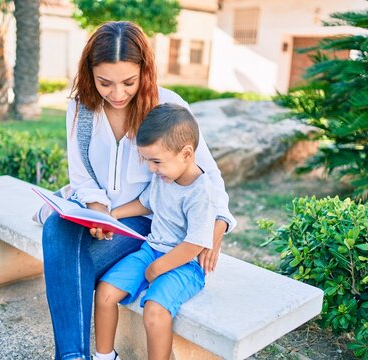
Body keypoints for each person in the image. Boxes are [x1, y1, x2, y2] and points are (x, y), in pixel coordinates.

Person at [41, 21, 236, 360]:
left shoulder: (167, 107)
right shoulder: (80, 108)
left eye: (128, 82)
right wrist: (99, 210)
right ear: (90, 74)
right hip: (101, 216)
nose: (117, 94)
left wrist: (216, 227)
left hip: (147, 225)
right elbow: (82, 176)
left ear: (144, 72)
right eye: (105, 83)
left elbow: (208, 174)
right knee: (56, 231)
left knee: (71, 265)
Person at [94, 103, 216, 360]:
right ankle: (104, 356)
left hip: (185, 265)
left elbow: (195, 244)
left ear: (186, 153)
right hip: (151, 250)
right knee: (105, 292)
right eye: (147, 160)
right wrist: (112, 214)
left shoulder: (200, 193)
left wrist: (157, 268)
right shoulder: (163, 177)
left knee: (155, 311)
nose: (151, 168)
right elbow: (144, 203)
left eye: (156, 161)